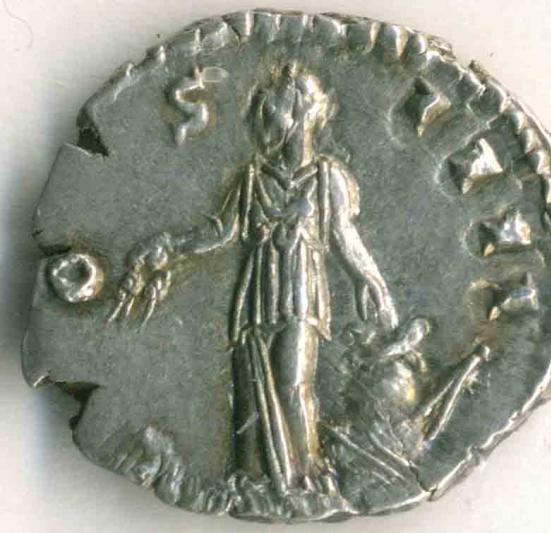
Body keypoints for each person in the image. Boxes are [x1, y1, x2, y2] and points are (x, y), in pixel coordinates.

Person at [110, 64, 399, 496]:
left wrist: (368, 279)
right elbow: (220, 231)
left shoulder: (328, 177)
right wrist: (171, 246)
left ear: (299, 115)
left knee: (294, 382)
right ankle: (252, 477)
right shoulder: (251, 178)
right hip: (257, 295)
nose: (262, 121)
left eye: (271, 112)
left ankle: (304, 473)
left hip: (302, 293)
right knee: (251, 386)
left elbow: (344, 235)